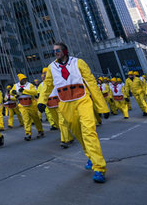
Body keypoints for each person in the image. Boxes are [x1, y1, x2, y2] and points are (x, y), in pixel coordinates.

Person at [37, 42, 109, 183]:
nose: (55, 52)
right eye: (54, 51)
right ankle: (90, 155)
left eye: (58, 50)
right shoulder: (52, 67)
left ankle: (99, 167)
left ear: (65, 50)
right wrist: (41, 101)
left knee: (89, 131)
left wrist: (102, 107)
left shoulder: (79, 63)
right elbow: (47, 85)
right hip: (65, 104)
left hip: (82, 100)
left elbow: (91, 83)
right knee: (77, 131)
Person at [11, 74, 44, 141]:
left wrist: (24, 91)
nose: (24, 80)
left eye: (25, 79)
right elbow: (11, 92)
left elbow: (34, 92)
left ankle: (40, 130)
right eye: (23, 79)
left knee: (36, 118)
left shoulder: (30, 85)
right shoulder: (15, 85)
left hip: (31, 104)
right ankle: (28, 133)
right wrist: (13, 92)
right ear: (20, 80)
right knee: (26, 119)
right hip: (22, 105)